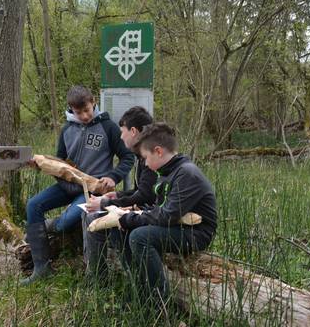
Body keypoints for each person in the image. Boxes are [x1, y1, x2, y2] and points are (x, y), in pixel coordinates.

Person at [91, 123, 217, 305]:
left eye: (146, 158)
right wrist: (126, 216)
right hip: (177, 225)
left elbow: (166, 216)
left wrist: (127, 219)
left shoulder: (187, 173)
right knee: (119, 230)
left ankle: (158, 303)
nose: (146, 164)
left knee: (140, 236)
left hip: (197, 233)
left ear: (158, 151)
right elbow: (158, 210)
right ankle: (140, 288)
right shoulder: (167, 172)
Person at [21, 85, 134, 285]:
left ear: (94, 104)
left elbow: (127, 157)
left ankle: (43, 227)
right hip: (68, 186)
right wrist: (41, 165)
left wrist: (113, 177)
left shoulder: (108, 127)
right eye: (78, 112)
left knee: (65, 223)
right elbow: (61, 162)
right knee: (33, 204)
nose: (83, 116)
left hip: (92, 190)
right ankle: (41, 268)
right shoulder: (66, 129)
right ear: (71, 109)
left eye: (87, 110)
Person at [83, 106, 156, 280]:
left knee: (95, 217)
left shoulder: (152, 154)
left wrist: (104, 204)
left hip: (151, 213)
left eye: (122, 132)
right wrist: (117, 196)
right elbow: (141, 190)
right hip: (146, 209)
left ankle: (99, 279)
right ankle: (97, 273)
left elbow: (145, 196)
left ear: (133, 131)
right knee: (91, 215)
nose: (121, 136)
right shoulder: (142, 154)